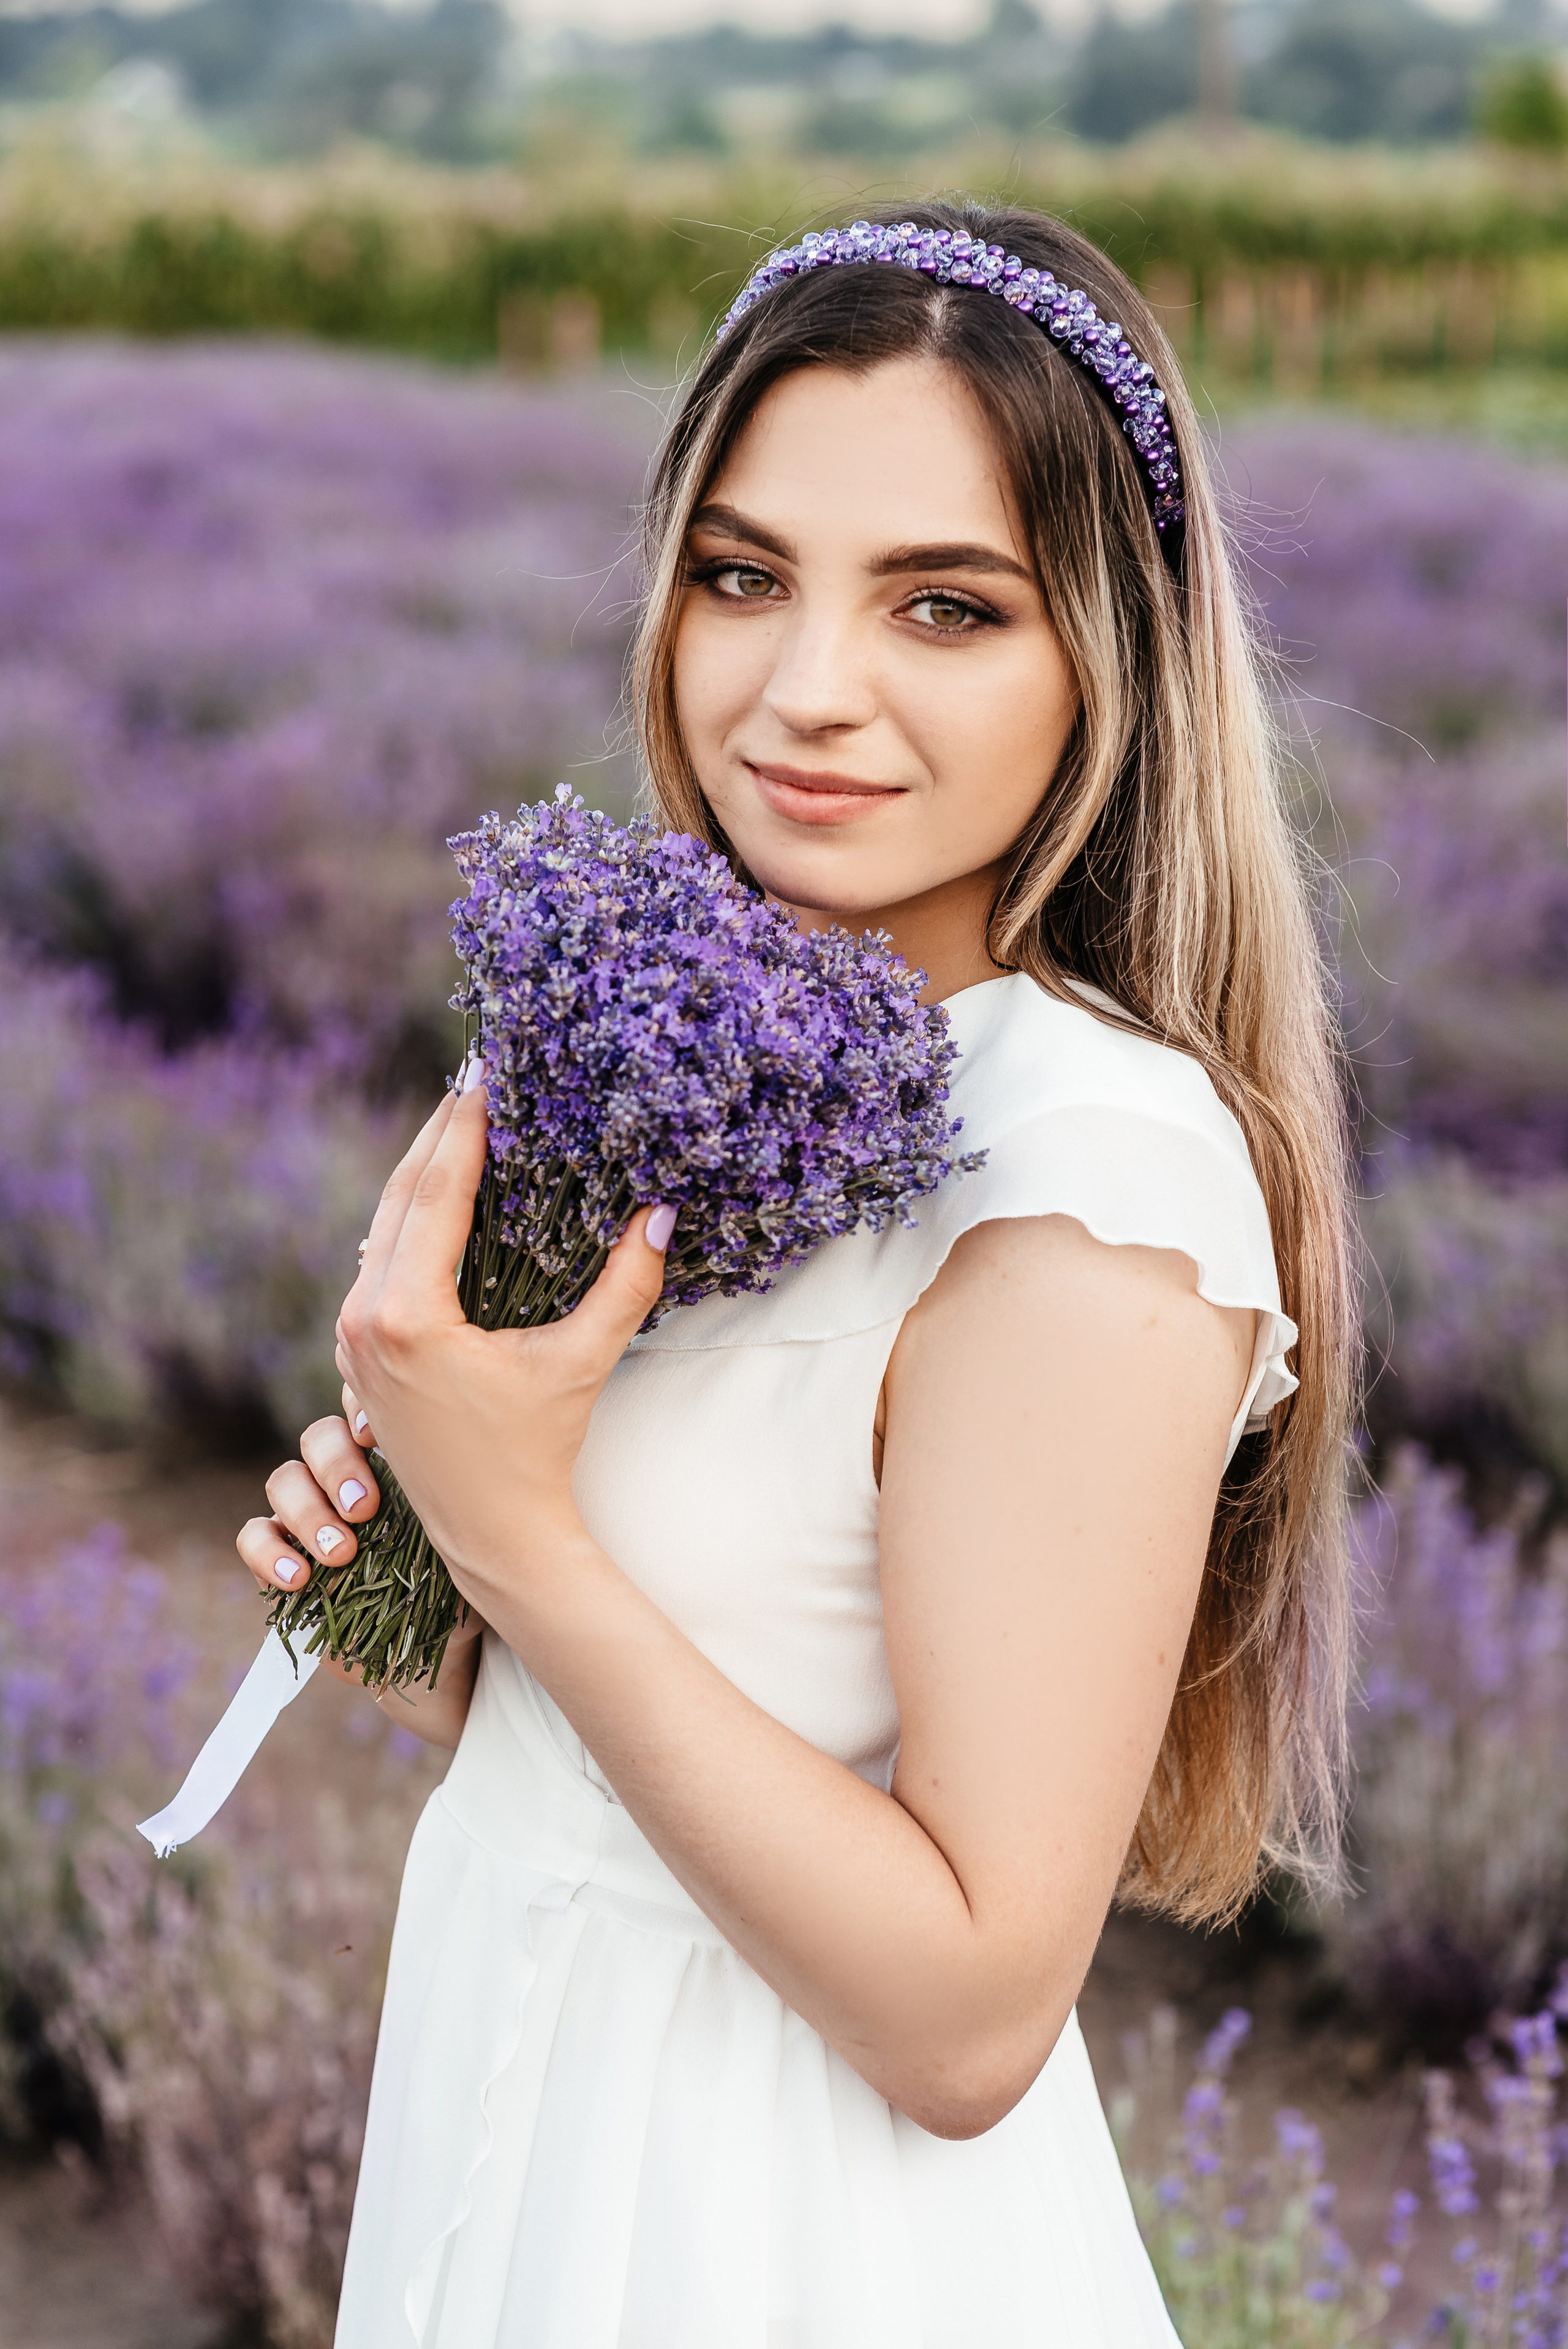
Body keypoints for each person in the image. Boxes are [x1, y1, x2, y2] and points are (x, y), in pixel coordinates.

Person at [238, 202, 1359, 2347]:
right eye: (744, 575)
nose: (807, 689)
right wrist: (436, 1619)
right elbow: (726, 1685)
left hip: (773, 2228)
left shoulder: (1089, 1176)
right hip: (524, 2105)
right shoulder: (706, 1055)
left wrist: (515, 1525)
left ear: (1108, 656)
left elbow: (968, 2015)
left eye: (946, 605)